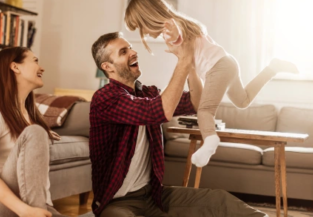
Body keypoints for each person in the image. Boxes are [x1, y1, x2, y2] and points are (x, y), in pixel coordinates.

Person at [90, 32, 267, 216]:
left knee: (220, 202)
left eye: (131, 48)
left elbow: (196, 102)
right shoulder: (105, 98)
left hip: (154, 196)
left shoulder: (148, 93)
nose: (133, 52)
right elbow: (156, 111)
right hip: (117, 204)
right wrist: (183, 60)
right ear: (107, 67)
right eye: (123, 51)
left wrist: (190, 65)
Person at [124, 0, 299, 168]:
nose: (143, 33)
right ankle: (272, 69)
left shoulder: (170, 27)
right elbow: (187, 55)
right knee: (243, 100)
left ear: (148, 16)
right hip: (227, 62)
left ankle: (210, 141)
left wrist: (173, 36)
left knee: (205, 111)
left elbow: (178, 36)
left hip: (218, 67)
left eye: (140, 26)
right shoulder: (179, 22)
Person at [0, 47, 66, 217]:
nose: (42, 68)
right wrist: (26, 211)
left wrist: (41, 135)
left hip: (37, 205)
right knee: (35, 132)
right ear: (15, 67)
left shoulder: (32, 117)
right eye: (35, 61)